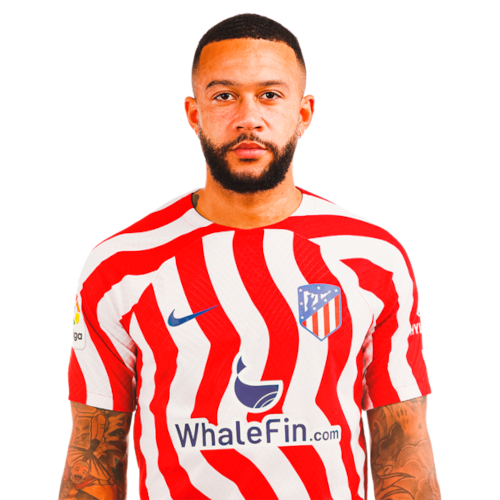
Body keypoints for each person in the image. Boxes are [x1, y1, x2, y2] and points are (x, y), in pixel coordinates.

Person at [60, 13, 441, 500]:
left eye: (269, 95)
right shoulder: (120, 266)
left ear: (303, 113)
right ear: (194, 114)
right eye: (224, 96)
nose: (248, 118)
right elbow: (94, 455)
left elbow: (403, 448)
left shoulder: (373, 258)